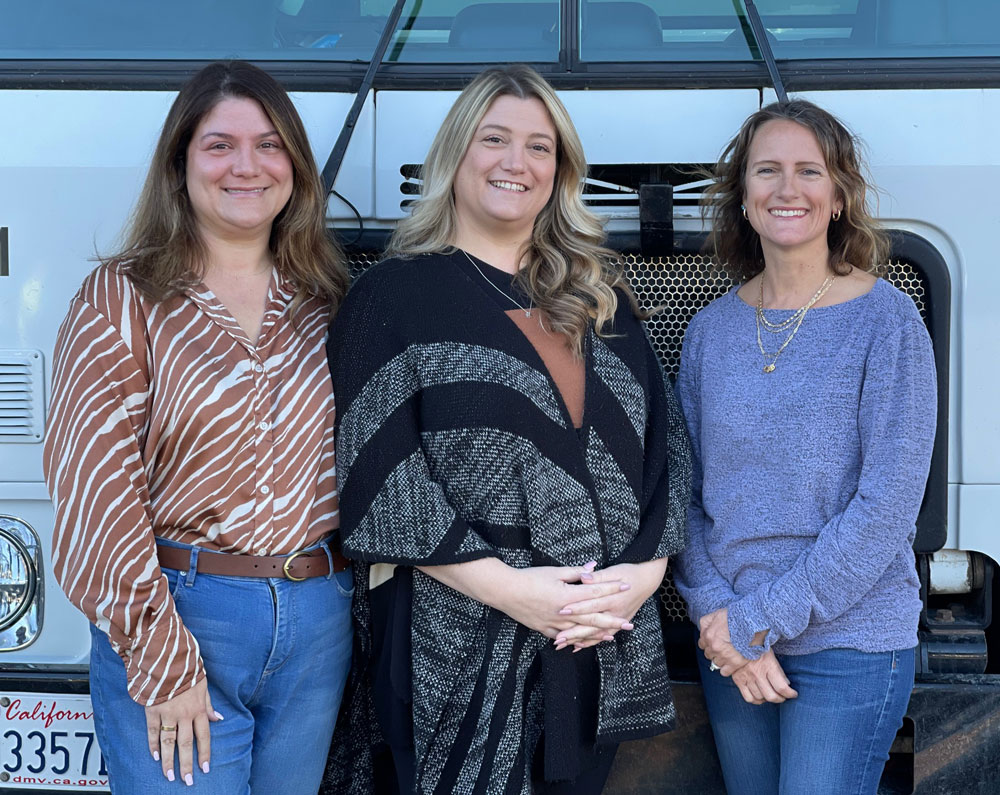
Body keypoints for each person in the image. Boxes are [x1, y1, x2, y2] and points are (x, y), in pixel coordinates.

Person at [323, 64, 691, 794]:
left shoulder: (598, 296)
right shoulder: (389, 296)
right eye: (494, 139)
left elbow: (668, 451)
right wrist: (515, 592)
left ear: (560, 172)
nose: (515, 163)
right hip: (449, 639)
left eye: (539, 148)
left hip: (590, 643)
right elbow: (378, 471)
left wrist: (639, 580)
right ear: (456, 155)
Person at [43, 60, 351, 793]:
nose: (247, 165)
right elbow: (96, 493)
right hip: (183, 617)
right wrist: (163, 660)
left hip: (316, 622)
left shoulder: (327, 299)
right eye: (219, 145)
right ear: (180, 165)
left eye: (270, 144)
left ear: (297, 169)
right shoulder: (121, 298)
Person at [674, 99, 937, 795]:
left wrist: (758, 620)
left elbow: (886, 506)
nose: (787, 190)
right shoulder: (708, 333)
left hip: (847, 644)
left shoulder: (889, 322)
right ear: (743, 196)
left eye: (808, 171)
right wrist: (716, 618)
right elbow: (686, 494)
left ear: (839, 194)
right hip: (730, 640)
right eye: (767, 171)